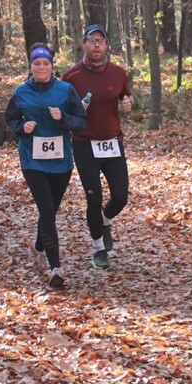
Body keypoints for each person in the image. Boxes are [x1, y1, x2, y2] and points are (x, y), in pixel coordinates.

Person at [5, 44, 88, 289]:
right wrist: (21, 128)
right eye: (36, 64)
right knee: (48, 211)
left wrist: (62, 118)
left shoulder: (65, 90)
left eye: (45, 64)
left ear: (52, 66)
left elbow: (81, 121)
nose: (41, 68)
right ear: (30, 66)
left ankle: (38, 246)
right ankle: (55, 268)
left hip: (61, 161)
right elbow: (10, 118)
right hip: (32, 159)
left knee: (49, 211)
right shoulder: (21, 91)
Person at [63, 24, 133, 269]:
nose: (96, 45)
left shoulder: (118, 73)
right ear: (84, 44)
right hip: (84, 143)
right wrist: (74, 110)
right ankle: (99, 249)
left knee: (121, 196)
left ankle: (104, 221)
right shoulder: (71, 76)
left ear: (106, 46)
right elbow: (64, 109)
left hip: (112, 142)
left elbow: (126, 97)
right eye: (92, 41)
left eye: (100, 41)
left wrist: (128, 104)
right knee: (93, 198)